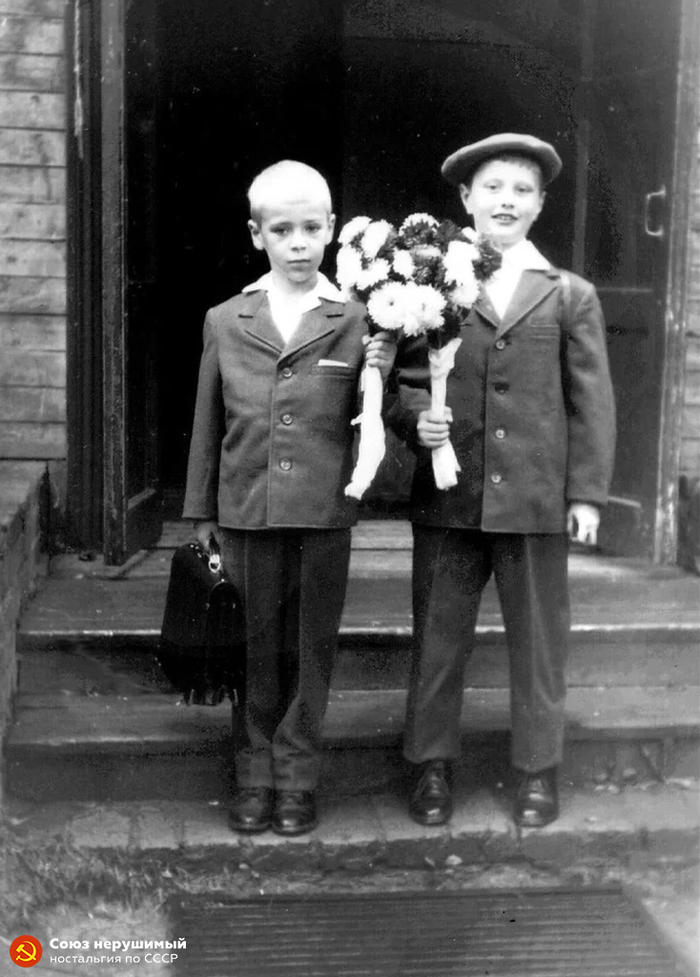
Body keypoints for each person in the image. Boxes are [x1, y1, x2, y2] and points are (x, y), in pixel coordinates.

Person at [389, 133, 616, 828]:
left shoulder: (567, 294)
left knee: (539, 642)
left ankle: (537, 769)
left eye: (522, 189)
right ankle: (430, 766)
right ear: (466, 199)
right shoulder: (429, 289)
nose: (506, 201)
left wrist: (585, 495)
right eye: (492, 188)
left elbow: (592, 402)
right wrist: (416, 419)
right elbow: (400, 381)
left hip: (534, 499)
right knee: (438, 640)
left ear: (541, 204)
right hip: (450, 496)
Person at [182, 160, 395, 836]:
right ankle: (253, 774)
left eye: (310, 228)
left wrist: (386, 370)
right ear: (257, 234)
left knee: (310, 647)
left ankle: (297, 777)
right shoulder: (226, 319)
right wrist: (201, 510)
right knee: (251, 646)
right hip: (246, 508)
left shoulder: (359, 319)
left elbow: (375, 415)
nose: (298, 243)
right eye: (282, 230)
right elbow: (207, 419)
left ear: (331, 228)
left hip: (323, 512)